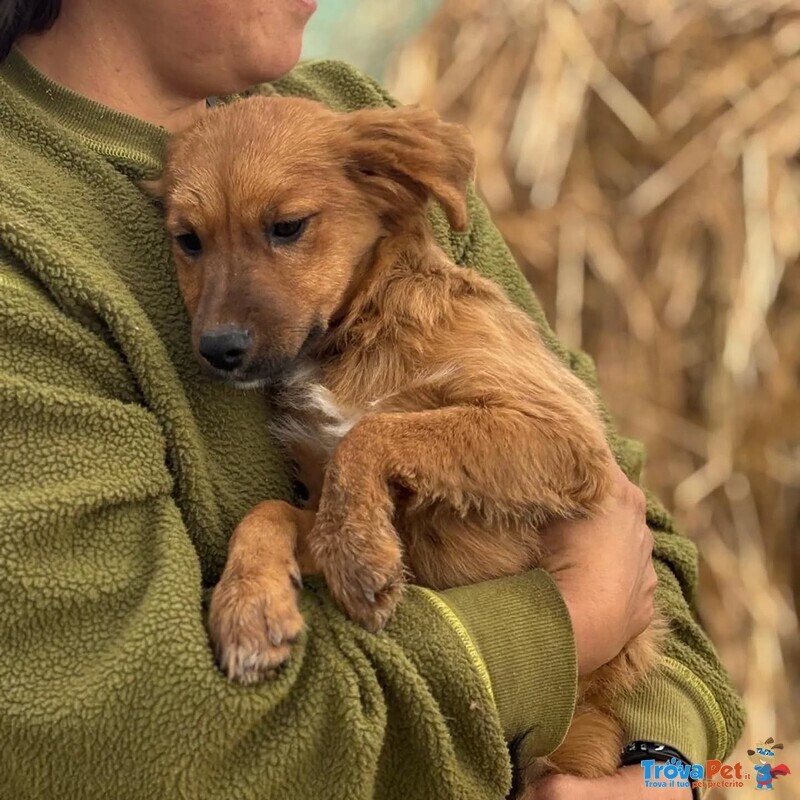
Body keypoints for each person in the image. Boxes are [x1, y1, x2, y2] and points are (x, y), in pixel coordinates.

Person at [0, 2, 744, 799]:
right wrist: (565, 625)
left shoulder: (349, 123)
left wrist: (668, 767)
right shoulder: (30, 240)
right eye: (189, 242)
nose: (217, 322)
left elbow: (627, 517)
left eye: (287, 228)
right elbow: (134, 747)